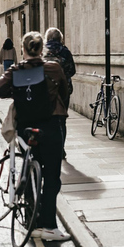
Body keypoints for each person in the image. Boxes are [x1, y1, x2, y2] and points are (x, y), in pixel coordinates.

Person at [0, 32, 70, 242]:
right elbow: (65, 91)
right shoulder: (53, 68)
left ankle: (30, 221)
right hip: (51, 125)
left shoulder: (16, 70)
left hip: (27, 127)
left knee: (29, 165)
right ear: (42, 48)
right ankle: (49, 226)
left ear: (23, 49)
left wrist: (18, 92)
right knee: (52, 177)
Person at [44, 27, 76, 155]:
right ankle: (60, 148)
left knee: (45, 119)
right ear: (60, 38)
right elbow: (72, 71)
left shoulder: (42, 51)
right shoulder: (65, 52)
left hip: (45, 91)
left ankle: (47, 147)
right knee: (61, 120)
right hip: (63, 91)